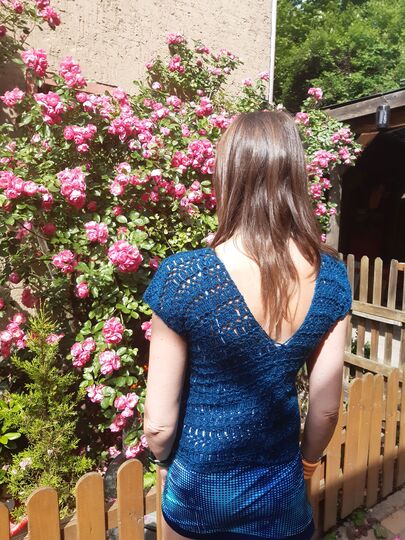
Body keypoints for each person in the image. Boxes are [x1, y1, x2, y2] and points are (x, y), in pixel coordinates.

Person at [142, 110, 352, 540]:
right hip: (280, 496)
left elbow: (158, 426)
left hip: (198, 494)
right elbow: (327, 408)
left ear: (228, 176)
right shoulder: (331, 277)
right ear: (295, 176)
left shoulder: (185, 277)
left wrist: (163, 463)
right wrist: (306, 465)